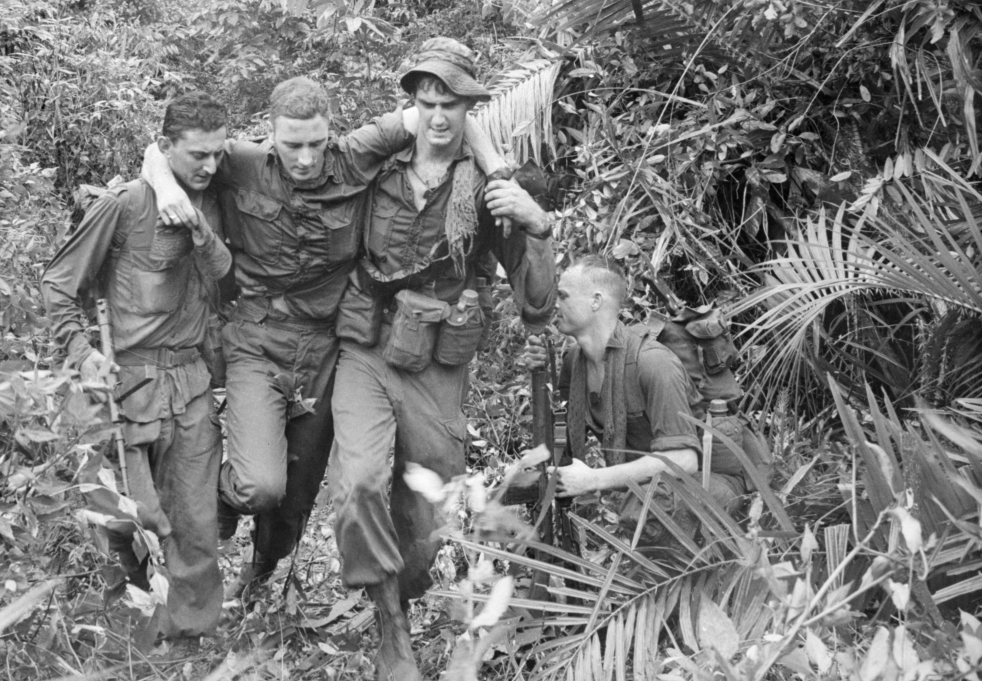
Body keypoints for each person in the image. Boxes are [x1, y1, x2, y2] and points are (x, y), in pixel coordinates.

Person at [142, 77, 507, 602]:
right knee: (259, 484)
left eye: (317, 142)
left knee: (295, 496)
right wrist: (169, 188)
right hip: (257, 341)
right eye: (293, 145)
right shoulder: (240, 163)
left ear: (331, 132)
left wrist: (493, 164)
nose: (307, 158)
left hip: (327, 348)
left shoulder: (357, 155)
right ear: (270, 135)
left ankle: (262, 573)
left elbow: (442, 114)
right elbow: (160, 153)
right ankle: (217, 503)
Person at [328, 38, 557, 681]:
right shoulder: (378, 164)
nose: (437, 116)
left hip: (436, 366)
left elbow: (536, 300)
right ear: (411, 105)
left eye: (451, 104)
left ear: (469, 109)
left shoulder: (489, 189)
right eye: (426, 101)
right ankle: (390, 631)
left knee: (428, 524)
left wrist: (536, 225)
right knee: (363, 483)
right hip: (367, 350)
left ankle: (399, 586)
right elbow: (316, 169)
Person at [41, 92, 233, 641]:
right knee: (135, 523)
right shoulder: (124, 205)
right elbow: (59, 283)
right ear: (165, 147)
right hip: (126, 389)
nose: (210, 166)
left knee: (197, 527)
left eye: (217, 154)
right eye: (197, 155)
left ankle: (191, 644)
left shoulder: (216, 197)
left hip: (192, 388)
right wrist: (83, 353)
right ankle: (138, 644)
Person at [524, 255, 746, 539]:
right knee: (644, 502)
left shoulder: (653, 363)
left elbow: (685, 459)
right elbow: (559, 441)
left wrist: (593, 480)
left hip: (711, 479)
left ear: (595, 301)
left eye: (563, 296)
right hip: (658, 483)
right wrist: (541, 374)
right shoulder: (574, 363)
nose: (554, 304)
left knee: (651, 506)